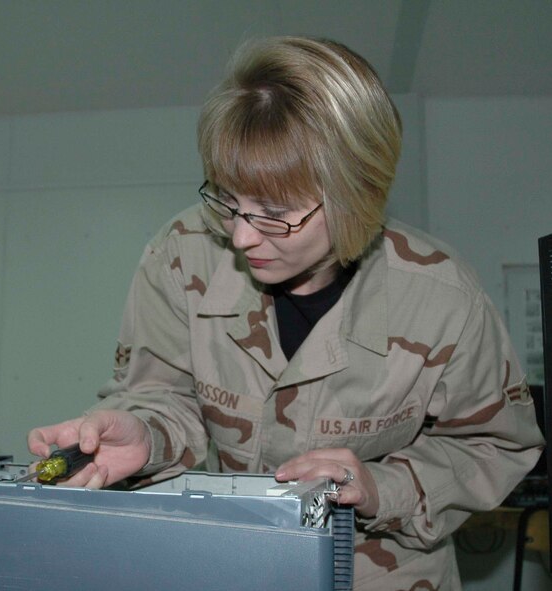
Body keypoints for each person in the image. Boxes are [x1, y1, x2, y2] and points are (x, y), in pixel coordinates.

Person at [27, 36, 544, 590]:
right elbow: (166, 396)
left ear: (356, 196)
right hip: (232, 568)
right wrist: (145, 434)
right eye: (228, 201)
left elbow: (495, 446)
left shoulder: (442, 298)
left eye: (275, 214)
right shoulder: (182, 255)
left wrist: (379, 487)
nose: (243, 236)